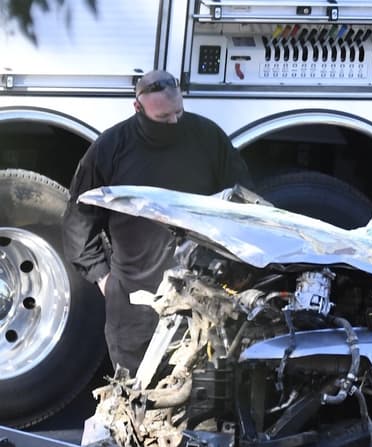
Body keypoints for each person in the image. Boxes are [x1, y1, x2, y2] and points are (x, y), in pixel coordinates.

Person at [63, 70, 252, 376]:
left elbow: (243, 199)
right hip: (133, 301)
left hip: (199, 295)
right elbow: (78, 220)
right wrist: (103, 278)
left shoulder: (206, 137)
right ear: (138, 108)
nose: (174, 122)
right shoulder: (111, 147)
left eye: (179, 112)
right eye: (163, 117)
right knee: (133, 396)